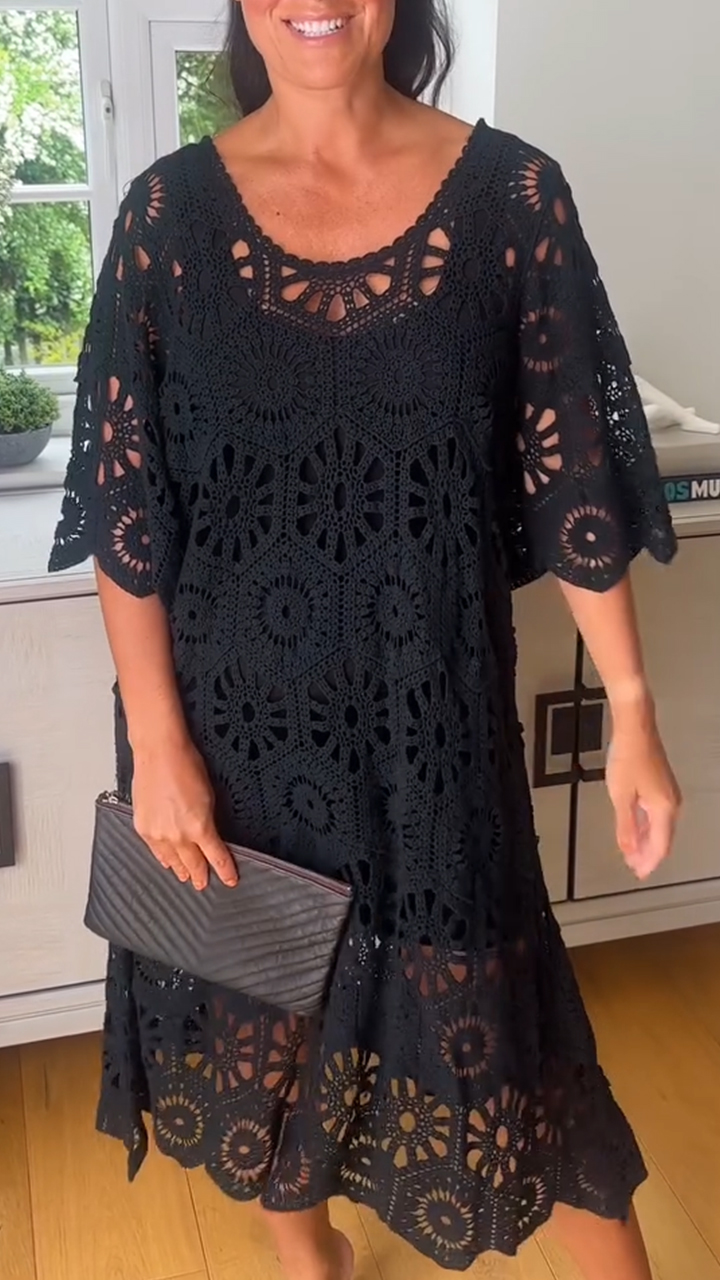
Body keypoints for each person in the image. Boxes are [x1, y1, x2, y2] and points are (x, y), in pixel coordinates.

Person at [50, 1, 682, 1277]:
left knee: (521, 1069)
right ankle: (312, 1257)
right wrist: (160, 744)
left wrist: (632, 710)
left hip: (434, 741)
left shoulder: (513, 201)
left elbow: (573, 480)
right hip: (231, 747)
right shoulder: (165, 220)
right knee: (261, 1035)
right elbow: (126, 510)